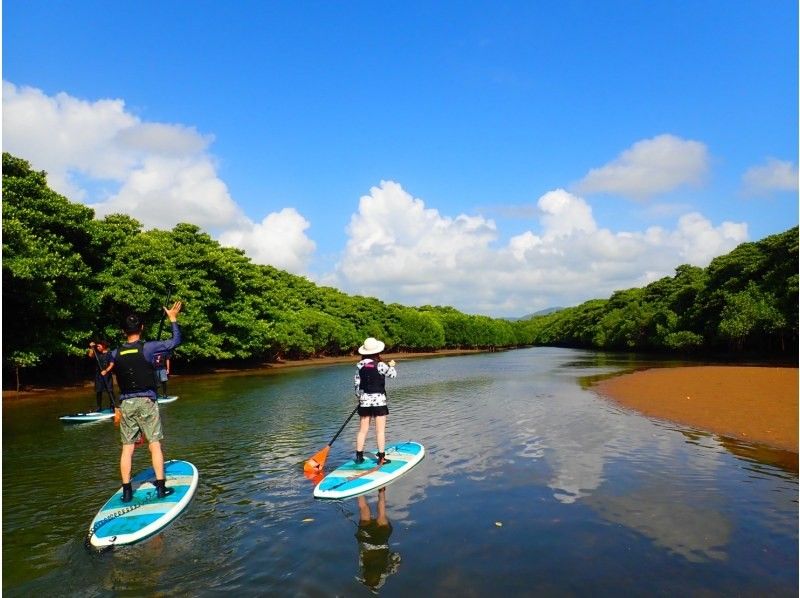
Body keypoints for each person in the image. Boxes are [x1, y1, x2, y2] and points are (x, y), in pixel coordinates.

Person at [100, 301, 183, 502]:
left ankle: (127, 492)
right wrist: (172, 319)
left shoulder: (114, 353)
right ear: (142, 328)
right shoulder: (149, 348)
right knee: (154, 444)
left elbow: (106, 363)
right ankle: (161, 489)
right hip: (147, 401)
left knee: (127, 448)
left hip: (126, 404)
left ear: (123, 331)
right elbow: (175, 341)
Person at [354, 337, 397, 465]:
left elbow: (357, 387)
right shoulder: (381, 365)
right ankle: (381, 457)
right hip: (379, 402)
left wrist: (360, 399)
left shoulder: (359, 367)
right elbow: (392, 375)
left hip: (364, 401)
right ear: (377, 352)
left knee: (362, 430)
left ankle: (359, 456)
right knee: (380, 431)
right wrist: (392, 366)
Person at [355, 487, 401, 591]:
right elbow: (362, 553)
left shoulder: (386, 572)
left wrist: (395, 561)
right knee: (367, 510)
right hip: (370, 540)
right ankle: (361, 489)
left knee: (378, 513)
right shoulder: (367, 570)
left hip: (378, 540)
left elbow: (396, 556)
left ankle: (381, 489)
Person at [88, 340, 114, 411]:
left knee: (110, 390)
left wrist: (106, 371)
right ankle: (99, 407)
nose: (98, 347)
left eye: (99, 346)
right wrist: (91, 348)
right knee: (98, 391)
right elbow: (90, 355)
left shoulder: (109, 354)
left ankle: (112, 406)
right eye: (97, 346)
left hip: (107, 375)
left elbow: (112, 364)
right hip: (98, 375)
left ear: (104, 346)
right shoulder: (96, 353)